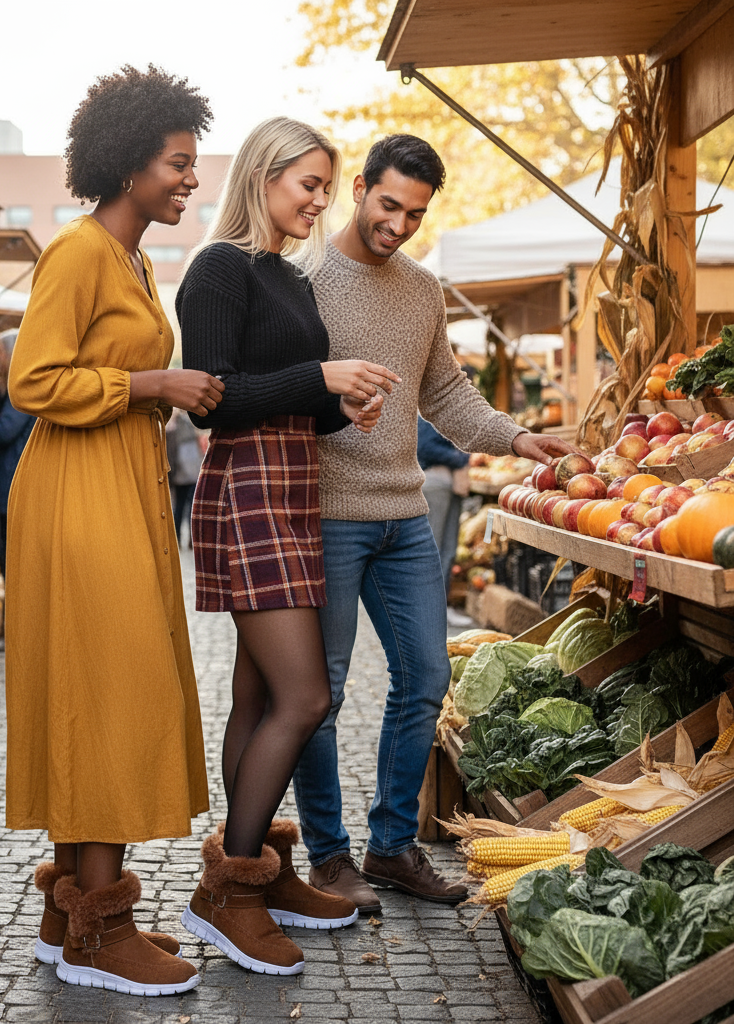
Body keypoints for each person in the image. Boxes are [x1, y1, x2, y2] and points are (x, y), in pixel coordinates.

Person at [290, 134, 578, 913]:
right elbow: (278, 395)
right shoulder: (304, 281)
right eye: (389, 205)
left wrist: (516, 438)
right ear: (358, 188)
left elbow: (446, 394)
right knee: (321, 692)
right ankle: (327, 856)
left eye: (415, 213)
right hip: (325, 518)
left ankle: (390, 846)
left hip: (404, 517)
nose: (400, 225)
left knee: (427, 678)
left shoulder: (422, 290)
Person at [3, 65, 219, 998]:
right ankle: (104, 930)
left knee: (96, 686)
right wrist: (154, 387)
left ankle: (70, 913)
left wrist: (156, 399)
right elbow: (33, 380)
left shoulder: (129, 259)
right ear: (130, 162)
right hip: (78, 495)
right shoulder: (81, 252)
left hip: (116, 485)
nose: (189, 181)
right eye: (177, 164)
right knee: (109, 686)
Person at [177, 116, 399, 976]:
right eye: (307, 183)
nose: (318, 200)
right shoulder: (218, 268)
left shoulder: (291, 280)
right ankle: (227, 894)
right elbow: (213, 398)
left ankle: (261, 875)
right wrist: (320, 379)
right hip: (249, 489)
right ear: (264, 177)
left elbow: (286, 398)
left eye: (323, 186)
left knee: (260, 695)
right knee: (305, 698)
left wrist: (338, 409)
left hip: (295, 481)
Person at [417, 414, 472, 627]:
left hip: (447, 487)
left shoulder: (447, 411)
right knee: (436, 551)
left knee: (447, 550)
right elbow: (425, 447)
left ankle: (442, 609)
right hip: (435, 486)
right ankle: (431, 611)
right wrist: (461, 458)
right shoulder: (431, 413)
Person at [0, 329, 35, 578]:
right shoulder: (6, 387)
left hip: (10, 480)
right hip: (7, 479)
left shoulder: (23, 385)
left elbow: (6, 430)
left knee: (8, 559)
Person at [164, 408, 201, 547]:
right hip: (190, 474)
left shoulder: (173, 429)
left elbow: (170, 454)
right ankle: (189, 539)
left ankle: (180, 539)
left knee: (181, 507)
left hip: (181, 475)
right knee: (188, 507)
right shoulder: (187, 425)